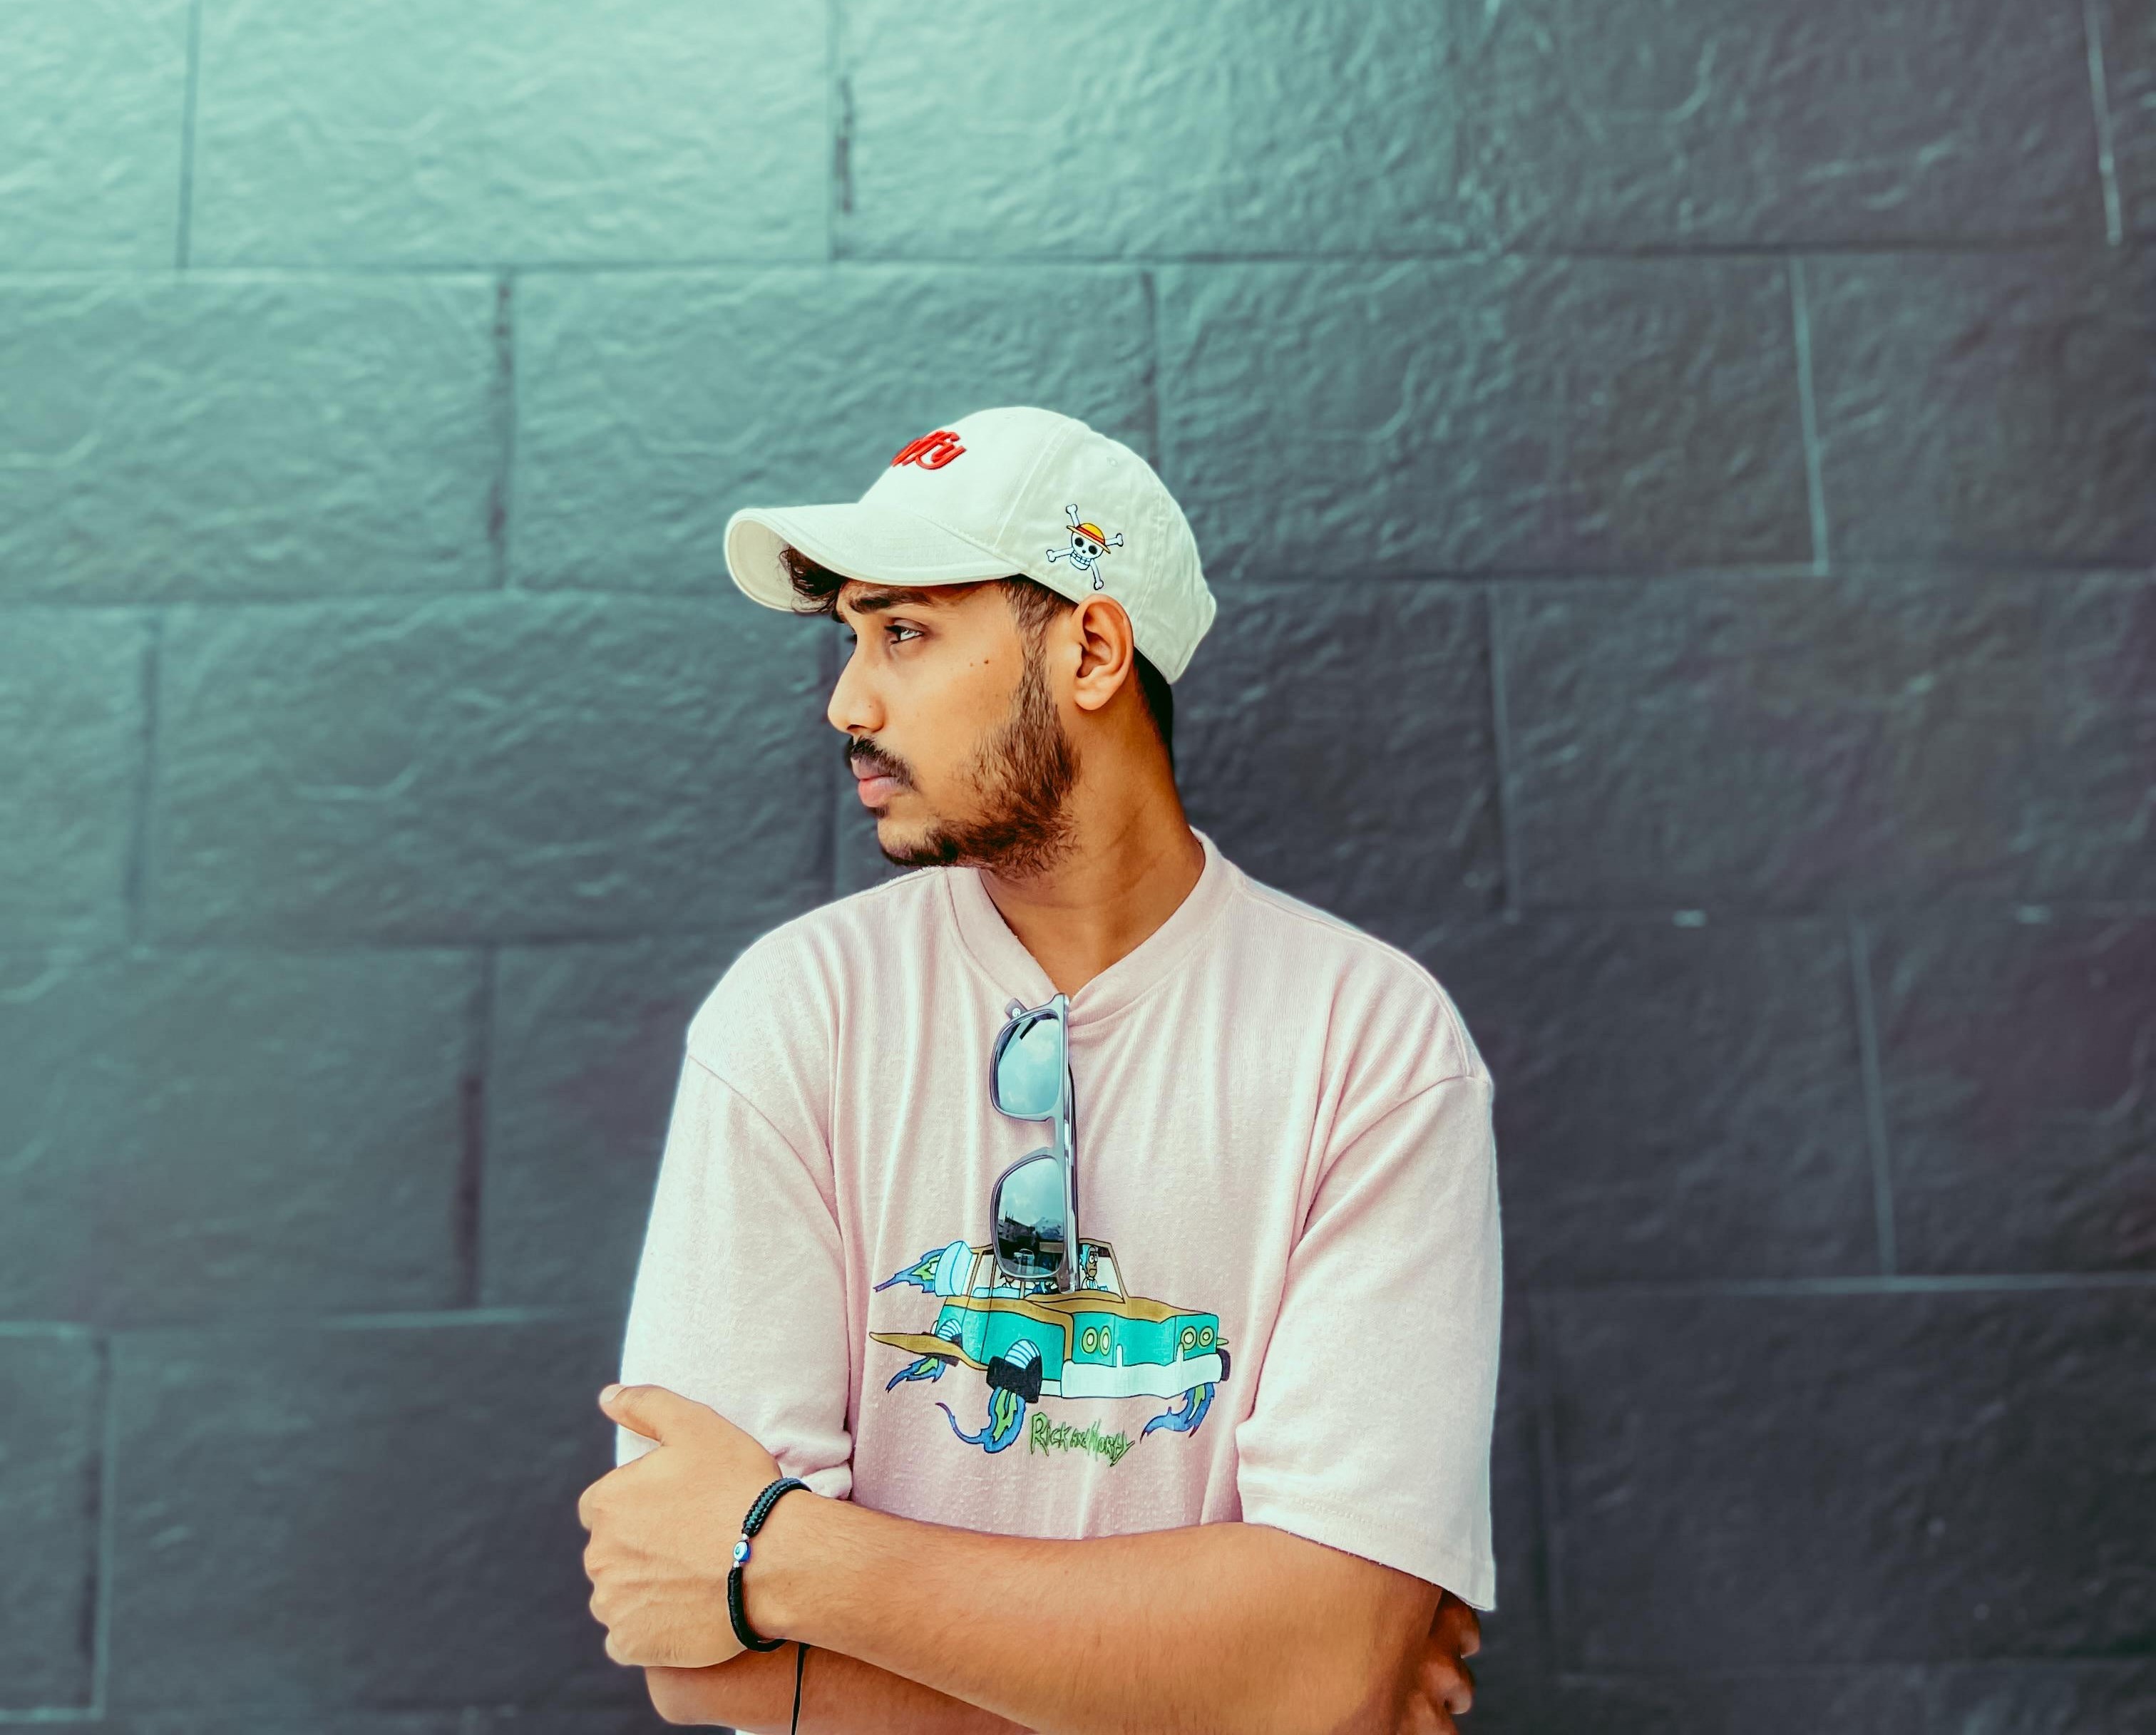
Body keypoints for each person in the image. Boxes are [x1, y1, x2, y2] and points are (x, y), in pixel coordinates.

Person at [577, 406, 1502, 1734]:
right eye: (850, 639)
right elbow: (686, 1636)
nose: (848, 702)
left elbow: (1317, 1669)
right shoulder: (796, 1013)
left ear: (1090, 646)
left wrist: (781, 1564)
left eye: (904, 631)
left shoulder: (1376, 1045)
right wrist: (1231, 1674)